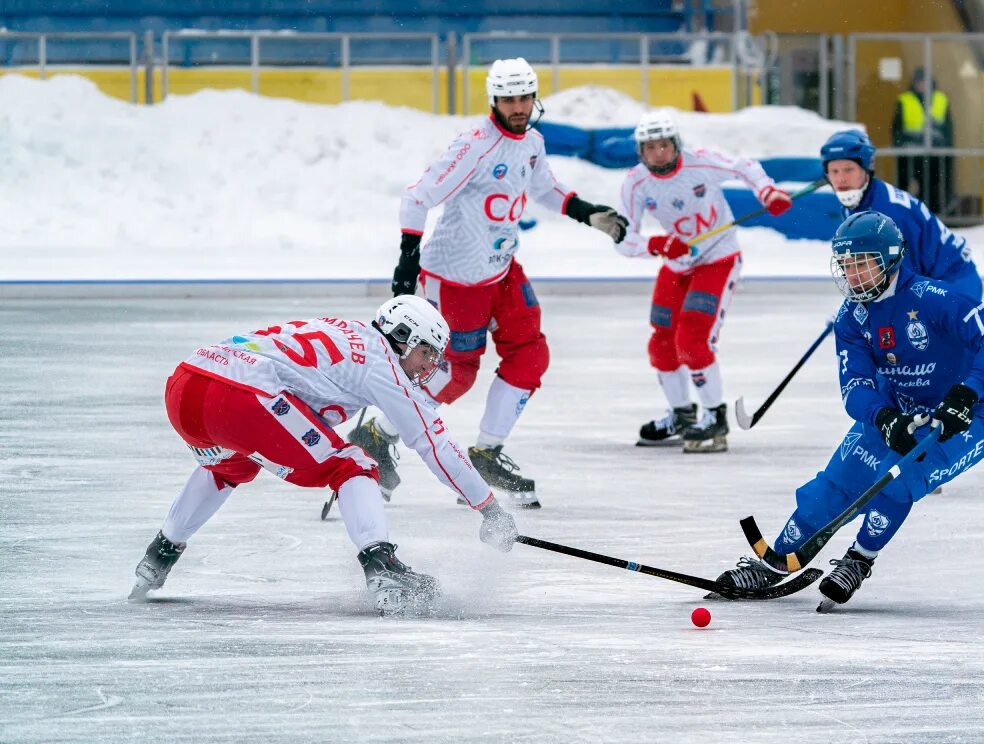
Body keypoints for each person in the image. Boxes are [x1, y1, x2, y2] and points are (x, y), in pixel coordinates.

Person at [129, 296, 522, 617]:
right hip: (240, 397)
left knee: (231, 463)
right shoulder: (382, 365)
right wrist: (489, 509)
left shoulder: (348, 331)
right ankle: (381, 566)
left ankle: (159, 554)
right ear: (403, 336)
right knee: (354, 465)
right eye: (425, 352)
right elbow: (435, 446)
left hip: (188, 383)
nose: (427, 366)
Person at [353, 57, 628, 509]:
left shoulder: (532, 142)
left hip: (502, 269)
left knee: (530, 354)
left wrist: (587, 212)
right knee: (454, 376)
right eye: (508, 99)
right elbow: (418, 196)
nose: (517, 107)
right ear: (494, 100)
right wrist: (408, 259)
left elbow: (544, 188)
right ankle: (376, 434)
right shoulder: (475, 145)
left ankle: (486, 452)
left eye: (524, 98)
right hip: (456, 278)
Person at [713, 211, 984, 609]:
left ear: (890, 259)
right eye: (846, 266)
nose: (853, 276)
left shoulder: (934, 298)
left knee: (897, 480)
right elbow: (854, 386)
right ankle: (773, 565)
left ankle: (859, 560)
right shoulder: (851, 318)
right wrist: (884, 417)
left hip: (967, 422)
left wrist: (967, 394)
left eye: (862, 264)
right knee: (833, 485)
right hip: (897, 411)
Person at [616, 108, 795, 452]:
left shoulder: (701, 163)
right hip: (676, 263)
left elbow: (743, 166)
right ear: (641, 151)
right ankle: (682, 415)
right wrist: (658, 244)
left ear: (677, 144)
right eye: (650, 148)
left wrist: (767, 192)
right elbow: (623, 238)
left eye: (664, 145)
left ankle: (715, 417)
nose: (658, 153)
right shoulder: (636, 182)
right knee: (662, 343)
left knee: (692, 338)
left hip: (718, 258)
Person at [821, 128, 980, 302]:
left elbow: (902, 278)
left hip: (953, 284)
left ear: (866, 169)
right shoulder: (859, 199)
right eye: (834, 171)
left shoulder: (890, 212)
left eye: (848, 170)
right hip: (935, 280)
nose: (841, 179)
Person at [892, 66, 954, 215]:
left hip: (934, 155)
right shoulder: (905, 100)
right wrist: (899, 146)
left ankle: (929, 217)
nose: (922, 85)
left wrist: (948, 151)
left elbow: (948, 128)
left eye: (924, 81)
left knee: (932, 189)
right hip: (910, 154)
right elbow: (897, 127)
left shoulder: (941, 99)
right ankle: (906, 217)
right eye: (919, 82)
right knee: (904, 189)